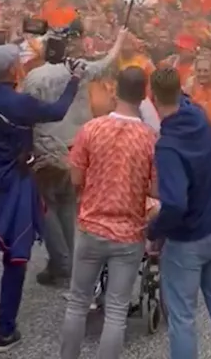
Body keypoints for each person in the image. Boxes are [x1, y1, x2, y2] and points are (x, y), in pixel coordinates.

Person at [0, 44, 82, 351]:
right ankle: (5, 331)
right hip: (15, 188)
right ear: (11, 71)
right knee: (15, 259)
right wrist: (74, 81)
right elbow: (57, 111)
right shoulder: (22, 104)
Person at [59, 66, 158, 359]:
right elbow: (155, 189)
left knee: (77, 303)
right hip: (128, 233)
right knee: (116, 311)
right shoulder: (149, 138)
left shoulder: (91, 129)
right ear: (143, 96)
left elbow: (76, 178)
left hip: (92, 226)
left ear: (115, 90)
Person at [148, 66, 211, 359]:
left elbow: (175, 203)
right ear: (181, 92)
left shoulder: (168, 146)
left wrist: (154, 231)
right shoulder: (199, 118)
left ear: (152, 98)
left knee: (183, 317)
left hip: (189, 239)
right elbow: (185, 101)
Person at [22, 26, 128, 286]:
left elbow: (25, 113)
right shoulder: (79, 68)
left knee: (46, 206)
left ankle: (62, 263)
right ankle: (69, 260)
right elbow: (106, 63)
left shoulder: (34, 76)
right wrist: (120, 38)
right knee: (68, 204)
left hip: (46, 149)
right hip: (76, 147)